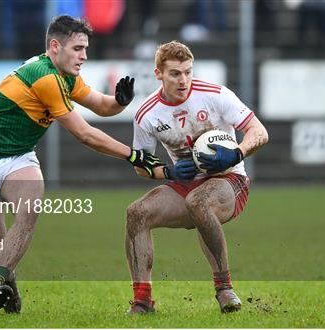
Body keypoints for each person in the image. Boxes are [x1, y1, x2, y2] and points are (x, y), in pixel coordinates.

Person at [0, 15, 163, 315]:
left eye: (85, 48)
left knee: (30, 207)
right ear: (55, 46)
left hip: (19, 157)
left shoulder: (65, 76)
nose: (84, 56)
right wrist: (133, 155)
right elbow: (84, 134)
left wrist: (120, 101)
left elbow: (101, 105)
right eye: (78, 48)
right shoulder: (45, 76)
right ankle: (5, 286)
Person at [125, 41, 269, 314]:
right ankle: (143, 301)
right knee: (136, 213)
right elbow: (140, 166)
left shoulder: (215, 94)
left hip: (229, 180)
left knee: (198, 201)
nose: (183, 80)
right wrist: (167, 171)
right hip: (185, 184)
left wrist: (236, 153)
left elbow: (259, 132)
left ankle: (224, 288)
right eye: (175, 73)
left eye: (188, 72)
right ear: (158, 74)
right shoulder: (147, 114)